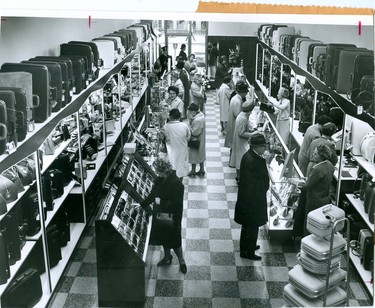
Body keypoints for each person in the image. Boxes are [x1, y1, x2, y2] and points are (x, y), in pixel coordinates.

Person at [140, 157, 187, 274]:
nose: (156, 173)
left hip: (173, 217)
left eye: (157, 171)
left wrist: (160, 202)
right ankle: (167, 257)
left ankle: (182, 261)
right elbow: (153, 194)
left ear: (163, 170)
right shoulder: (159, 179)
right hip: (160, 215)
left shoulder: (177, 184)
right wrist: (142, 204)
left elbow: (177, 204)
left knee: (175, 240)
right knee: (164, 237)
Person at [234, 133, 269, 260]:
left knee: (248, 226)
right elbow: (257, 182)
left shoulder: (249, 156)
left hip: (248, 199)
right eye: (263, 146)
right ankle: (248, 252)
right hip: (253, 201)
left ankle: (249, 246)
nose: (265, 148)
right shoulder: (254, 160)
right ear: (257, 146)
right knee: (252, 226)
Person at [297, 144, 335, 236]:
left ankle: (307, 240)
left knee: (310, 222)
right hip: (325, 199)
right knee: (319, 223)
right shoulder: (329, 165)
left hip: (314, 200)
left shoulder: (317, 169)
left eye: (316, 154)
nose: (313, 155)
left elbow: (307, 186)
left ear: (322, 156)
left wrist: (297, 183)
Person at [229, 100, 257, 183]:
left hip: (239, 142)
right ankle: (240, 178)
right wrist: (253, 134)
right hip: (241, 143)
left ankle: (239, 177)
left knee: (239, 160)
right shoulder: (243, 118)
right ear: (249, 111)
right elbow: (241, 133)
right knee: (242, 160)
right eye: (251, 111)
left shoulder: (242, 115)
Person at [161, 109, 190, 178]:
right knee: (181, 170)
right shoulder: (184, 126)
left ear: (170, 117)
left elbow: (162, 138)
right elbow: (188, 137)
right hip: (182, 151)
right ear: (179, 117)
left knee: (172, 170)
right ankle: (179, 185)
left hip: (171, 152)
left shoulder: (166, 127)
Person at [224, 81, 250, 160]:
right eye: (246, 92)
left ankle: (232, 158)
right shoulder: (238, 101)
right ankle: (233, 160)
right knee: (234, 144)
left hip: (232, 123)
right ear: (243, 92)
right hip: (234, 125)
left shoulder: (235, 98)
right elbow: (238, 115)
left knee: (233, 144)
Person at [187, 103, 206, 177]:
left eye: (189, 111)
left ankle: (193, 170)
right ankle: (201, 169)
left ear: (193, 112)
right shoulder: (200, 115)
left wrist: (189, 129)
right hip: (201, 139)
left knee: (194, 154)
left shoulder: (197, 120)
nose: (188, 113)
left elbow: (195, 133)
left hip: (196, 140)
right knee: (200, 154)